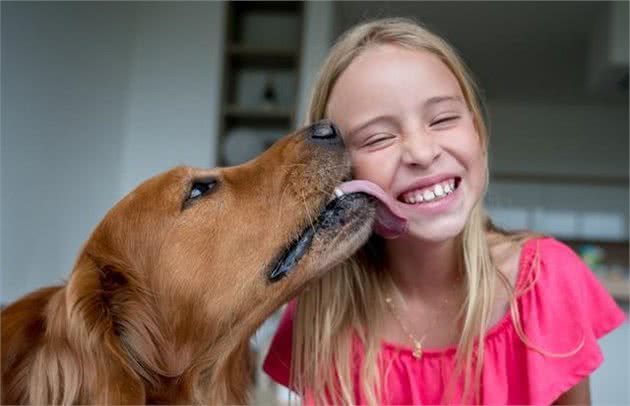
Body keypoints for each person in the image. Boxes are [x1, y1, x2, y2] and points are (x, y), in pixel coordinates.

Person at [262, 18, 626, 405]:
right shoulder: (321, 311)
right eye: (378, 137)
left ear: (479, 136)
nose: (421, 152)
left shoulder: (546, 282)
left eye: (443, 119)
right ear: (342, 172)